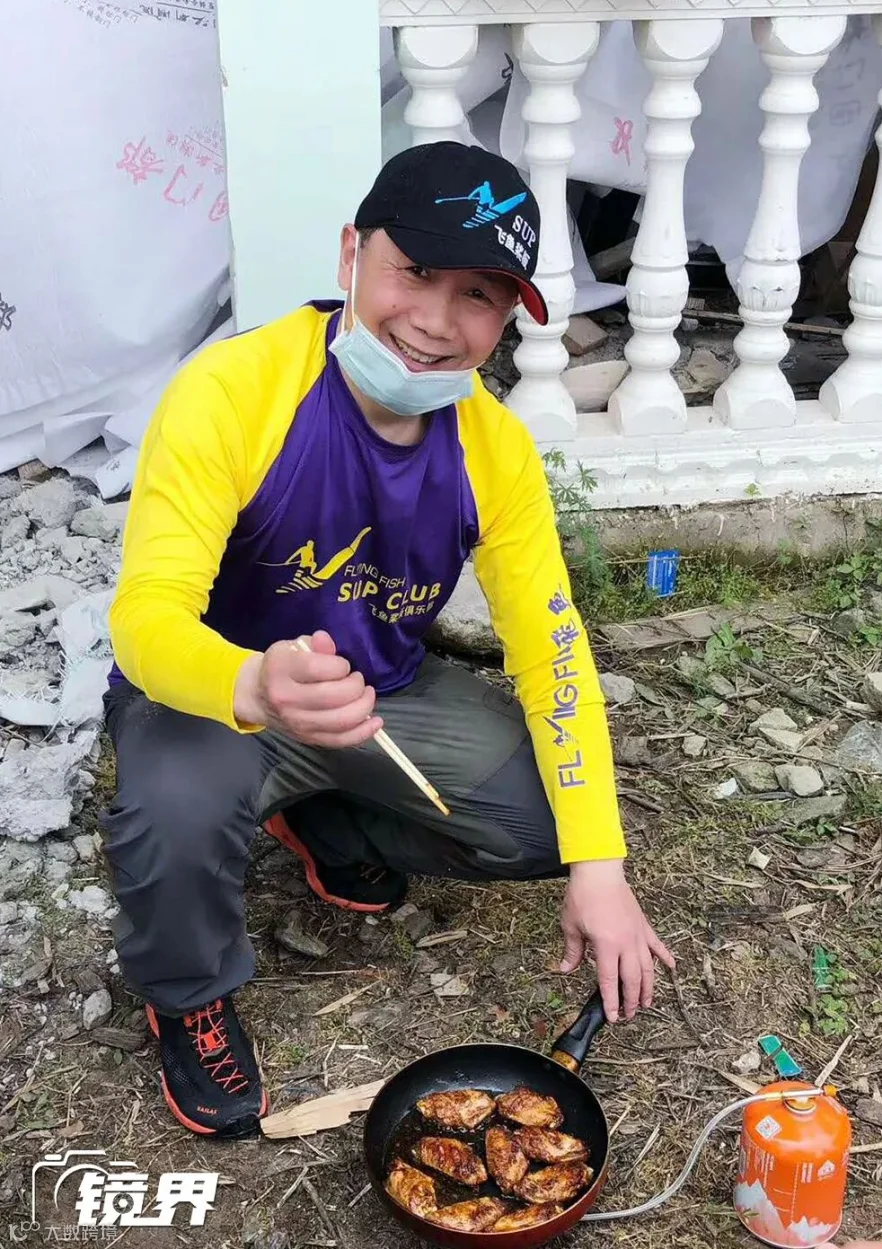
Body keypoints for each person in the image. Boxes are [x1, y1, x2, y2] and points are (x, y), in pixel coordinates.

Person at [102, 141, 674, 1140]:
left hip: (380, 695)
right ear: (350, 255)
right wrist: (251, 682)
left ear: (508, 319)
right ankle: (188, 994)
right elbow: (145, 616)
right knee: (173, 817)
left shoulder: (494, 450)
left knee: (556, 824)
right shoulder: (234, 392)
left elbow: (552, 651)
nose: (437, 323)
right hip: (217, 693)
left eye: (479, 295)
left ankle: (329, 823)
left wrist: (601, 865)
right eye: (415, 271)